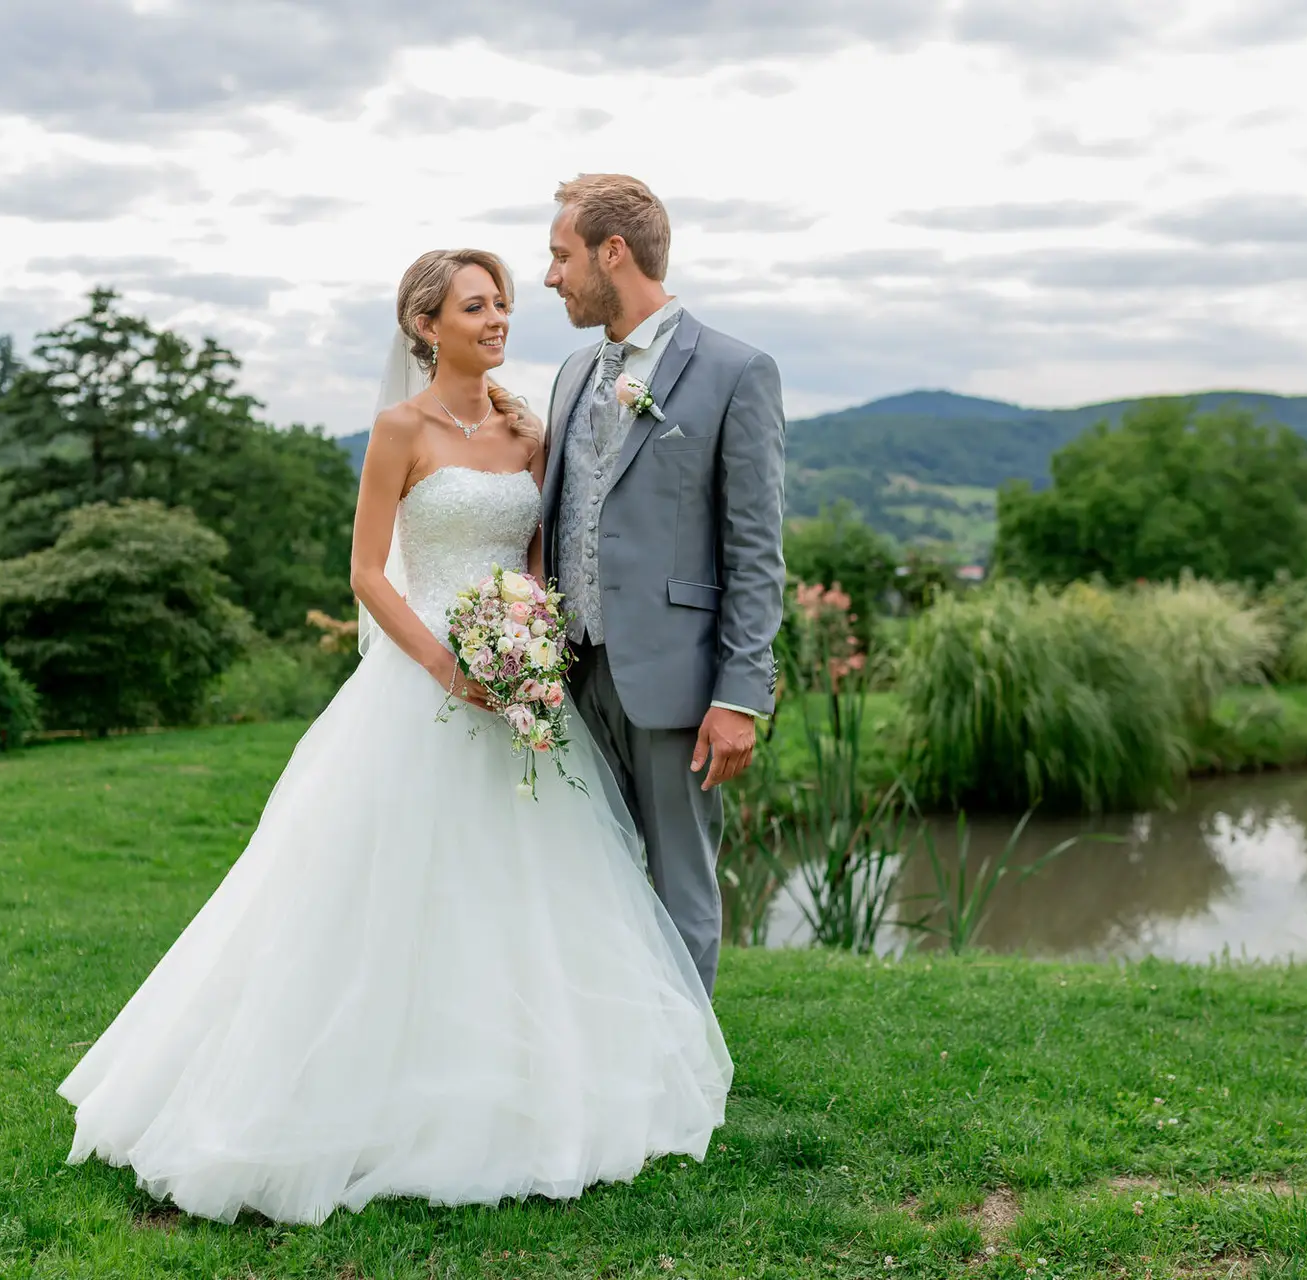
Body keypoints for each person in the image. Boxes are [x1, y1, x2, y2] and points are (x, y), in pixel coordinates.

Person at [58, 248, 731, 1227]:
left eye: (503, 300)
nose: (498, 316)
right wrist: (448, 663)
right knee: (385, 891)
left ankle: (517, 1079)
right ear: (426, 325)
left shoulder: (524, 428)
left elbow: (537, 557)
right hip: (422, 685)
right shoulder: (399, 430)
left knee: (521, 894)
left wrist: (528, 646)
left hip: (514, 695)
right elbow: (368, 573)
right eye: (475, 304)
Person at [543, 174, 787, 995]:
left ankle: (684, 1096)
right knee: (586, 883)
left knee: (681, 891)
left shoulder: (736, 371)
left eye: (560, 255)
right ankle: (608, 1068)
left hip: (677, 686)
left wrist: (740, 695)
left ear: (613, 253)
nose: (551, 277)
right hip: (572, 677)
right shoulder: (574, 372)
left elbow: (756, 550)